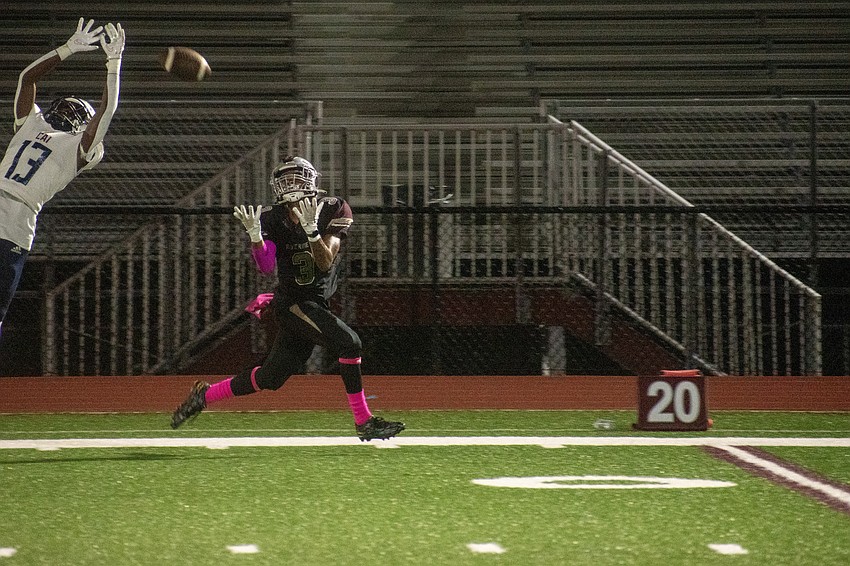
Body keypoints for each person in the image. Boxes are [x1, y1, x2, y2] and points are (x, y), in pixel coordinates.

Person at [171, 156, 405, 442]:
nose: (292, 185)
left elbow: (325, 262)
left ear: (312, 180)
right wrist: (256, 238)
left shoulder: (333, 208)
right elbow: (266, 266)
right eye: (286, 180)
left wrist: (312, 231)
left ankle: (205, 395)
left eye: (297, 178)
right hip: (292, 303)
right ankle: (364, 421)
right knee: (349, 342)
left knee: (270, 378)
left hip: (312, 302)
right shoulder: (273, 217)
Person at [0, 18, 124, 340]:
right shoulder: (43, 128)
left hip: (16, 222)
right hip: (15, 227)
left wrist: (95, 58)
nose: (67, 112)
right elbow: (27, 79)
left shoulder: (66, 142)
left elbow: (104, 112)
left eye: (74, 112)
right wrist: (81, 52)